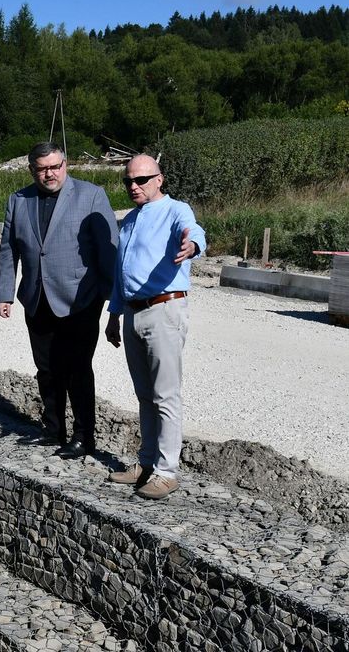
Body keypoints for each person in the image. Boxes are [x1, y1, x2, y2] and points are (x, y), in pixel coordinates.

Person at [0, 142, 119, 457]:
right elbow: (9, 250)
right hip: (37, 298)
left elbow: (108, 250)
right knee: (46, 368)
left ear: (65, 164)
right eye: (42, 169)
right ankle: (52, 429)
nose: (49, 174)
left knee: (78, 368)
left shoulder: (91, 196)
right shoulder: (18, 200)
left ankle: (83, 436)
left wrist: (112, 300)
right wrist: (4, 293)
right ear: (32, 170)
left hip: (80, 299)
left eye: (55, 167)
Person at [104, 154, 206, 500]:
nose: (134, 186)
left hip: (164, 308)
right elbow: (121, 272)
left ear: (159, 179)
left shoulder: (176, 210)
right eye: (128, 181)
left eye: (141, 180)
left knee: (166, 394)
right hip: (134, 313)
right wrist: (114, 315)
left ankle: (166, 471)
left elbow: (193, 233)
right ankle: (146, 463)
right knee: (145, 394)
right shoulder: (130, 220)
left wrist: (193, 246)